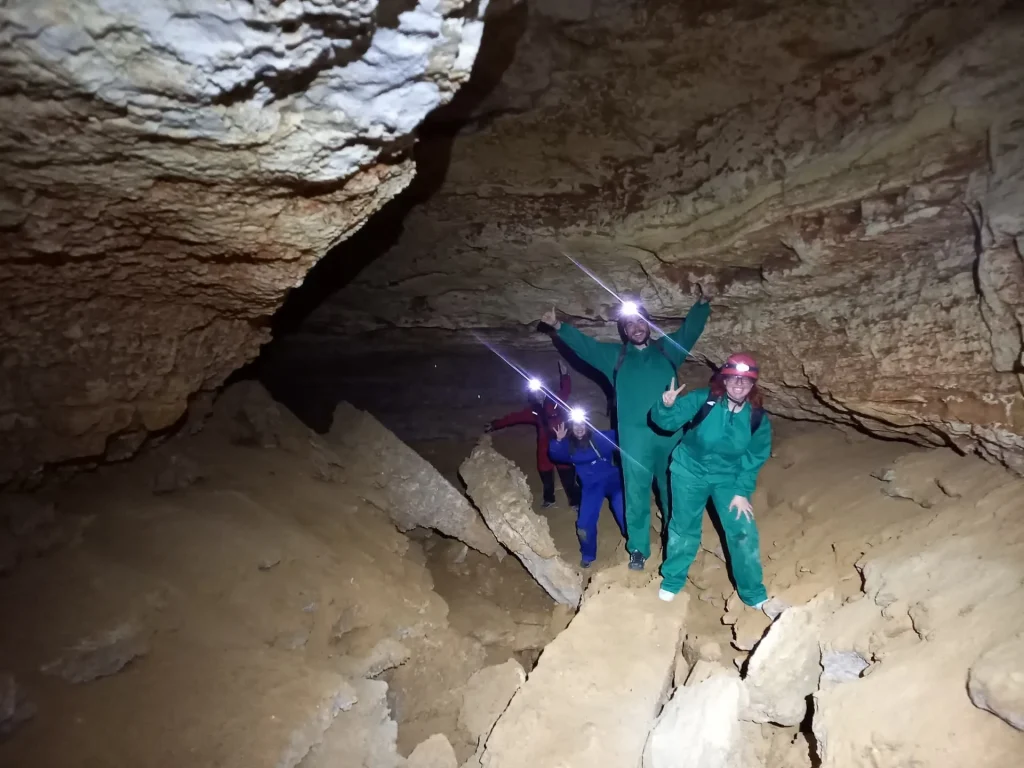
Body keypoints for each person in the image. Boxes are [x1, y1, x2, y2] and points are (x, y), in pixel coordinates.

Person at [541, 286, 712, 570]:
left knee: (672, 490)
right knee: (635, 494)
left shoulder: (667, 350)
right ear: (624, 331)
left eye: (640, 321)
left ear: (647, 324)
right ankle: (638, 549)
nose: (636, 327)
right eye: (629, 324)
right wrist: (559, 326)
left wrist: (703, 303)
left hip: (670, 438)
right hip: (634, 441)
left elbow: (689, 332)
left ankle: (677, 543)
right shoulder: (615, 358)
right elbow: (586, 347)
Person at [648, 354, 786, 619]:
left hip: (729, 480)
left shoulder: (756, 417)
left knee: (743, 531)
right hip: (688, 472)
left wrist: (742, 491)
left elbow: (756, 455)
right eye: (734, 379)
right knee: (683, 528)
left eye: (745, 382)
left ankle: (753, 594)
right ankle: (673, 580)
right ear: (725, 380)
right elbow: (665, 423)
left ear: (752, 386)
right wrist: (665, 406)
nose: (738, 386)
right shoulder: (705, 400)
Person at [486, 361, 581, 509]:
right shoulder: (533, 411)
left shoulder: (555, 402)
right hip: (544, 444)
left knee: (566, 471)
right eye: (535, 392)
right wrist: (495, 424)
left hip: (560, 440)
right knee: (545, 470)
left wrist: (565, 375)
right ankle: (549, 499)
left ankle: (575, 501)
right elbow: (513, 418)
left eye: (540, 391)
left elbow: (565, 391)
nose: (538, 394)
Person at [549, 413, 625, 569]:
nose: (579, 429)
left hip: (613, 481)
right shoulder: (568, 446)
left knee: (624, 511)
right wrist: (557, 440)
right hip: (592, 487)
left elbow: (623, 436)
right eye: (575, 425)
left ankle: (634, 544)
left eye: (582, 424)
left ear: (588, 425)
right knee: (584, 524)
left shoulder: (601, 438)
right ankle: (588, 554)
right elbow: (555, 454)